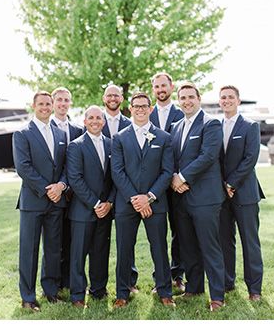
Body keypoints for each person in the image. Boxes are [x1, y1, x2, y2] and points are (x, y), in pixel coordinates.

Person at [109, 92, 176, 308]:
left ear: (150, 108)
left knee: (159, 248)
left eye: (143, 106)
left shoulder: (164, 137)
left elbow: (167, 172)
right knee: (124, 249)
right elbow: (117, 171)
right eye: (135, 106)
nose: (139, 109)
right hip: (126, 204)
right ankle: (122, 293)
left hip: (155, 203)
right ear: (130, 109)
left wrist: (148, 197)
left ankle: (165, 291)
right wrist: (135, 199)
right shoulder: (119, 138)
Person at [170, 83, 228, 310]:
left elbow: (208, 156)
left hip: (205, 198)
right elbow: (172, 158)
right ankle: (194, 289)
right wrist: (175, 176)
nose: (186, 101)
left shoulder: (211, 123)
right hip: (181, 199)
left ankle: (217, 297)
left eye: (190, 97)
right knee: (188, 247)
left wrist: (182, 178)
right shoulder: (175, 127)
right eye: (182, 98)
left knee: (210, 247)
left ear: (199, 98)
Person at [14, 91, 69, 311]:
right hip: (33, 201)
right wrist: (47, 190)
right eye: (42, 104)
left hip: (56, 202)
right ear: (34, 106)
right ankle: (28, 297)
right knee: (29, 250)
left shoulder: (60, 133)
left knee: (54, 249)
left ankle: (51, 291)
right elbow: (23, 167)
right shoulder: (22, 133)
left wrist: (61, 186)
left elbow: (66, 165)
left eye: (49, 103)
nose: (46, 107)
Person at [217, 85, 265, 300]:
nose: (226, 100)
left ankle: (254, 289)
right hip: (220, 195)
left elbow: (250, 158)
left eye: (230, 97)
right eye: (223, 98)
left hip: (244, 194)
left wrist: (231, 184)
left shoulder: (250, 126)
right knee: (225, 241)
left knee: (250, 242)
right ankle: (228, 283)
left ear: (238, 101)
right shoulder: (214, 127)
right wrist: (222, 186)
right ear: (220, 102)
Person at [65, 106, 114, 308]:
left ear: (104, 121)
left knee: (101, 252)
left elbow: (115, 177)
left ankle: (99, 289)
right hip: (83, 211)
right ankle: (77, 295)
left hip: (105, 210)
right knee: (78, 255)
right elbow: (75, 179)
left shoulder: (112, 145)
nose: (95, 121)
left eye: (99, 118)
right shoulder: (76, 146)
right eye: (91, 118)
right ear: (85, 122)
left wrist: (109, 203)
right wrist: (95, 203)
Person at [148, 72, 187, 289]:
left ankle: (177, 275)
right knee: (157, 234)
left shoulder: (183, 114)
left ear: (171, 88)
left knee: (179, 232)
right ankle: (159, 278)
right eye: (157, 86)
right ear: (153, 89)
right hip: (155, 185)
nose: (161, 89)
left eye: (164, 85)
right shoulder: (147, 115)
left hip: (177, 183)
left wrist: (176, 176)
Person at [50, 87, 81, 293]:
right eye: (59, 100)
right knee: (54, 241)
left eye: (66, 100)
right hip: (54, 193)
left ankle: (70, 281)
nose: (63, 103)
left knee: (73, 240)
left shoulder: (78, 130)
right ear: (53, 103)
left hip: (76, 193)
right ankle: (55, 283)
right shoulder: (46, 127)